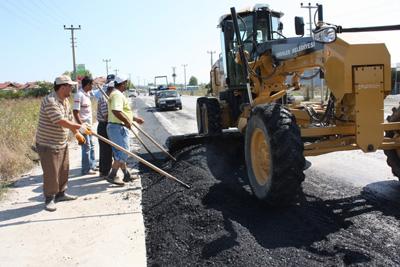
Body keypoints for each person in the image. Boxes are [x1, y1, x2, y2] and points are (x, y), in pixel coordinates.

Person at [35, 75, 90, 211]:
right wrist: (80, 127)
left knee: (64, 169)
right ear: (63, 86)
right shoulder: (50, 101)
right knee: (51, 172)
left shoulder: (65, 101)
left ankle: (61, 194)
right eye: (70, 86)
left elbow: (69, 118)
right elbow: (61, 121)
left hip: (61, 142)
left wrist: (76, 133)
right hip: (47, 143)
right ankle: (49, 198)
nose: (72, 88)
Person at [106, 74, 144, 186]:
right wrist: (127, 122)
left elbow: (123, 111)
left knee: (120, 153)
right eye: (125, 83)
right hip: (117, 127)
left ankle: (126, 175)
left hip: (118, 126)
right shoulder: (117, 95)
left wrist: (134, 119)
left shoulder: (118, 94)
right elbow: (116, 111)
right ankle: (112, 176)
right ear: (122, 84)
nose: (126, 85)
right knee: (123, 152)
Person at [73, 76, 97, 175]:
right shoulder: (79, 95)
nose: (93, 86)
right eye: (92, 84)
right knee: (86, 147)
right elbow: (75, 112)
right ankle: (86, 169)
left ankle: (92, 165)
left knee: (91, 145)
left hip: (89, 125)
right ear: (87, 85)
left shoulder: (87, 94)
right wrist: (81, 126)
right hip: (83, 126)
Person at [96, 74, 115, 177]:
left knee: (111, 150)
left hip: (109, 124)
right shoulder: (104, 98)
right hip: (104, 125)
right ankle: (104, 172)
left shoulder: (111, 97)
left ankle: (109, 170)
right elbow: (106, 116)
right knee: (105, 150)